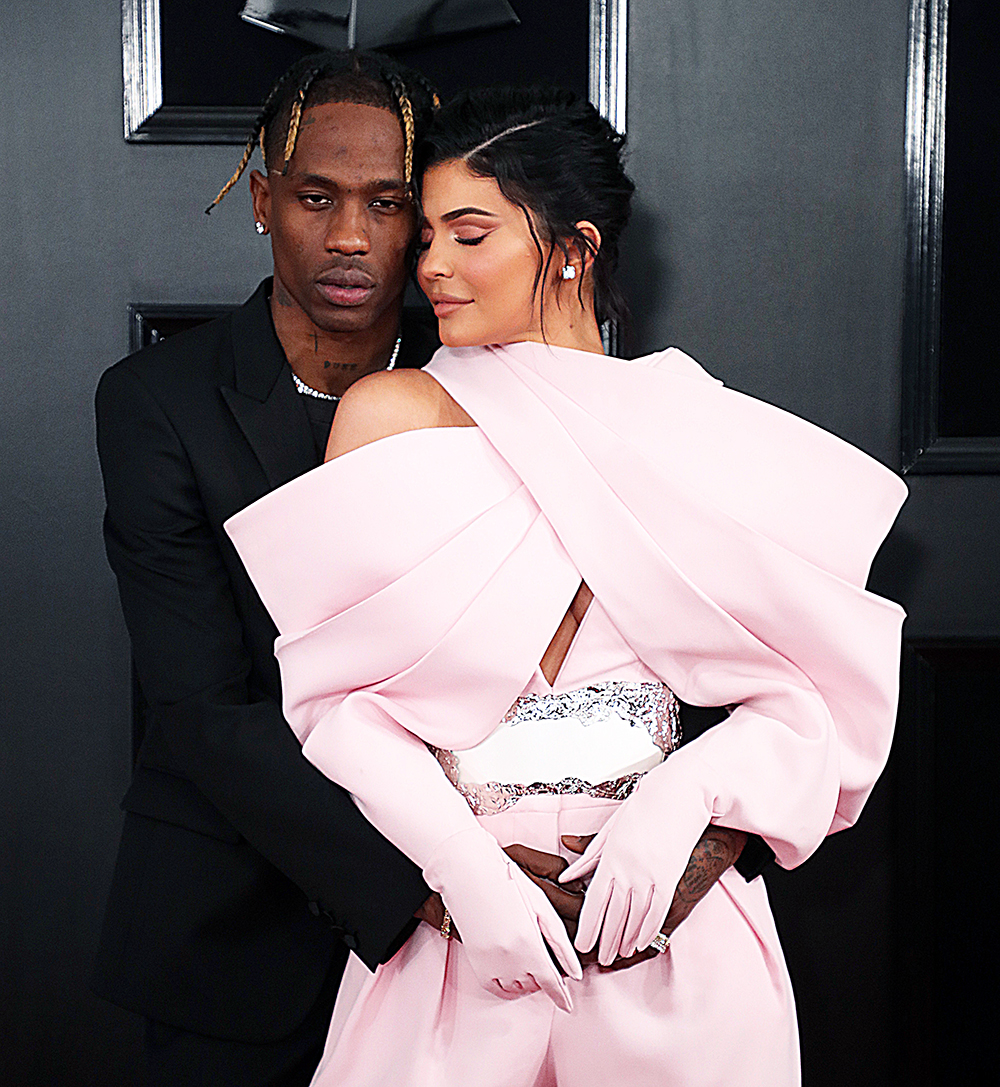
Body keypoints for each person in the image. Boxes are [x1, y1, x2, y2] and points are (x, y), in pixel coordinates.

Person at [225, 85, 907, 1085]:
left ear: (574, 247)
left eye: (468, 234)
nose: (429, 268)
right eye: (426, 238)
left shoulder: (698, 428)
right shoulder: (391, 412)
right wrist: (458, 875)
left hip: (670, 938)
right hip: (463, 943)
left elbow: (819, 699)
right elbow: (337, 705)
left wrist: (688, 797)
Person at [93, 50, 445, 1087]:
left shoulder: (479, 380)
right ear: (261, 201)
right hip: (229, 934)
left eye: (387, 203)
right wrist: (425, 882)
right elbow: (200, 704)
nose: (349, 237)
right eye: (316, 197)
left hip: (466, 961)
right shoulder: (157, 400)